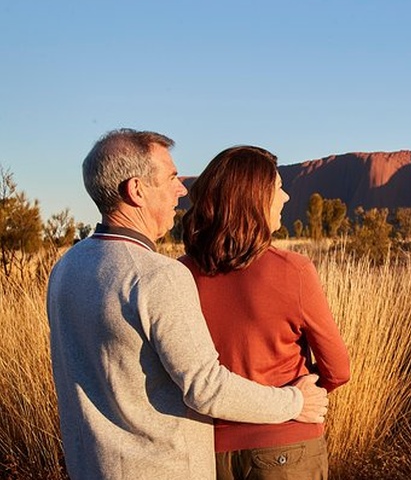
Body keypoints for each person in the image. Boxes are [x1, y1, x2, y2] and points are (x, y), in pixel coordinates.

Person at [47, 129, 329, 480]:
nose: (181, 189)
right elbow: (206, 388)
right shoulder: (157, 276)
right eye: (170, 178)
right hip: (163, 468)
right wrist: (295, 402)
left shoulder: (66, 269)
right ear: (137, 190)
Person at [179, 145, 350, 480]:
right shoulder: (294, 271)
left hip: (207, 452)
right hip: (287, 445)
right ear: (254, 200)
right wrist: (302, 395)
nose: (285, 198)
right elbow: (339, 369)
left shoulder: (180, 275)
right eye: (277, 188)